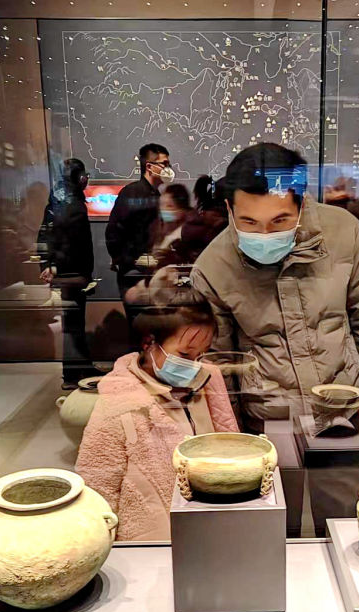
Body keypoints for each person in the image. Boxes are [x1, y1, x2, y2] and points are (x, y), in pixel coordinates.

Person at [190, 143, 359, 431]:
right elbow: (220, 365)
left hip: (345, 406)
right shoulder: (213, 267)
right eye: (249, 221)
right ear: (229, 208)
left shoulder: (343, 232)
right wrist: (233, 435)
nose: (264, 234)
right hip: (268, 420)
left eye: (279, 220)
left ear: (301, 204)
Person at [75, 281, 238, 541]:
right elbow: (98, 481)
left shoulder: (208, 380)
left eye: (202, 355)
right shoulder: (120, 400)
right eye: (185, 354)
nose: (194, 365)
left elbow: (228, 445)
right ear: (149, 342)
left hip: (210, 526)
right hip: (152, 542)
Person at [38, 158, 95, 385]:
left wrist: (47, 264)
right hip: (72, 274)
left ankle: (81, 369)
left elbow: (44, 235)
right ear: (79, 177)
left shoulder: (57, 200)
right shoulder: (72, 204)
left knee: (73, 323)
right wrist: (59, 267)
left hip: (67, 273)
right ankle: (73, 374)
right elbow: (72, 244)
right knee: (73, 324)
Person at [105, 143, 173, 295]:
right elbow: (114, 232)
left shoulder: (155, 195)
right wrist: (131, 259)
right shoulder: (132, 194)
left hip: (149, 271)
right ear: (149, 166)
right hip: (135, 273)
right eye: (164, 164)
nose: (168, 169)